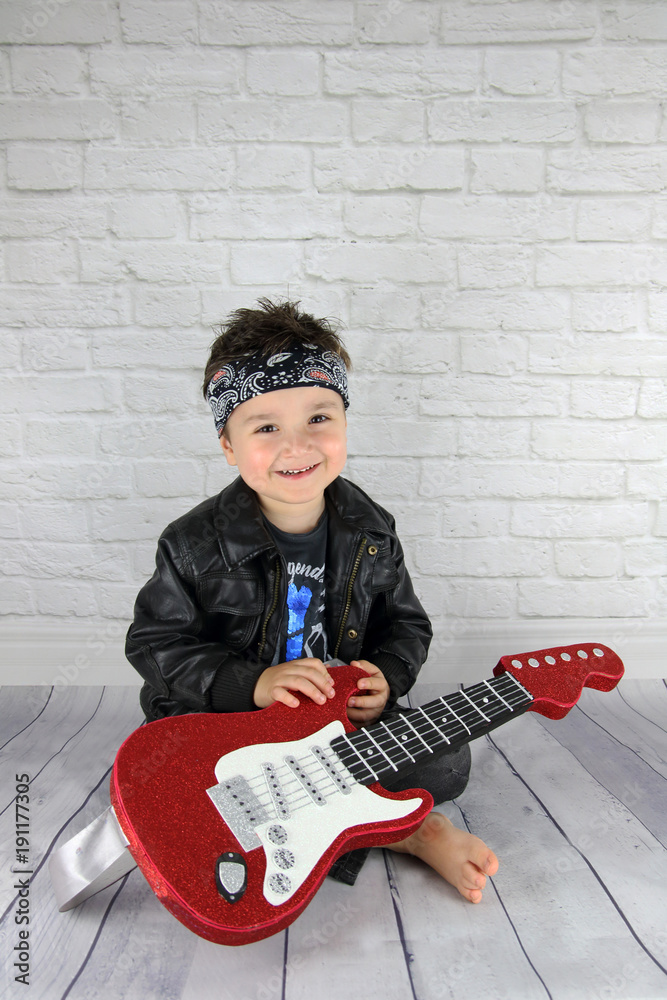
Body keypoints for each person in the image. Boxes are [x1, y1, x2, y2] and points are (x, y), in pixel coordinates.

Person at [125, 299, 498, 904]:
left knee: (447, 763)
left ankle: (376, 822)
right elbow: (154, 643)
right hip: (230, 725)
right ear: (228, 445)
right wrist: (252, 684)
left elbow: (406, 623)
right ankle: (407, 832)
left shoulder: (371, 530)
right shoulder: (193, 543)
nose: (297, 444)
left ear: (345, 423)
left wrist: (387, 675)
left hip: (330, 721)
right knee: (176, 788)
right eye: (266, 427)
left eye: (318, 417)